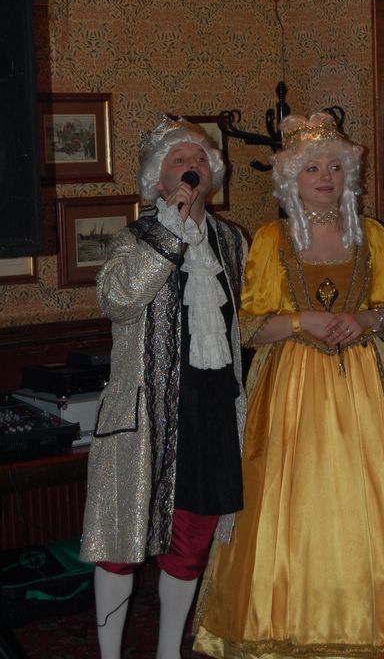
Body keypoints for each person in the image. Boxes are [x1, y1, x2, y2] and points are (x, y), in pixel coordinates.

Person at [193, 112, 384, 659]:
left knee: (377, 504)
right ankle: (283, 630)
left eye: (335, 167)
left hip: (367, 388)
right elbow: (248, 326)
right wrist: (303, 321)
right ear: (292, 177)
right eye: (313, 167)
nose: (325, 177)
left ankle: (379, 629)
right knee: (289, 509)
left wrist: (366, 320)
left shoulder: (372, 235)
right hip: (291, 394)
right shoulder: (271, 240)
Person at [80, 115, 248, 659]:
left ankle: (169, 651)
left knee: (191, 542)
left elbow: (248, 322)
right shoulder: (134, 239)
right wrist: (170, 232)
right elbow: (119, 300)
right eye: (179, 159)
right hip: (145, 415)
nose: (193, 165)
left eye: (200, 158)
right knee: (120, 542)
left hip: (212, 411)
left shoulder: (232, 241)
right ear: (158, 180)